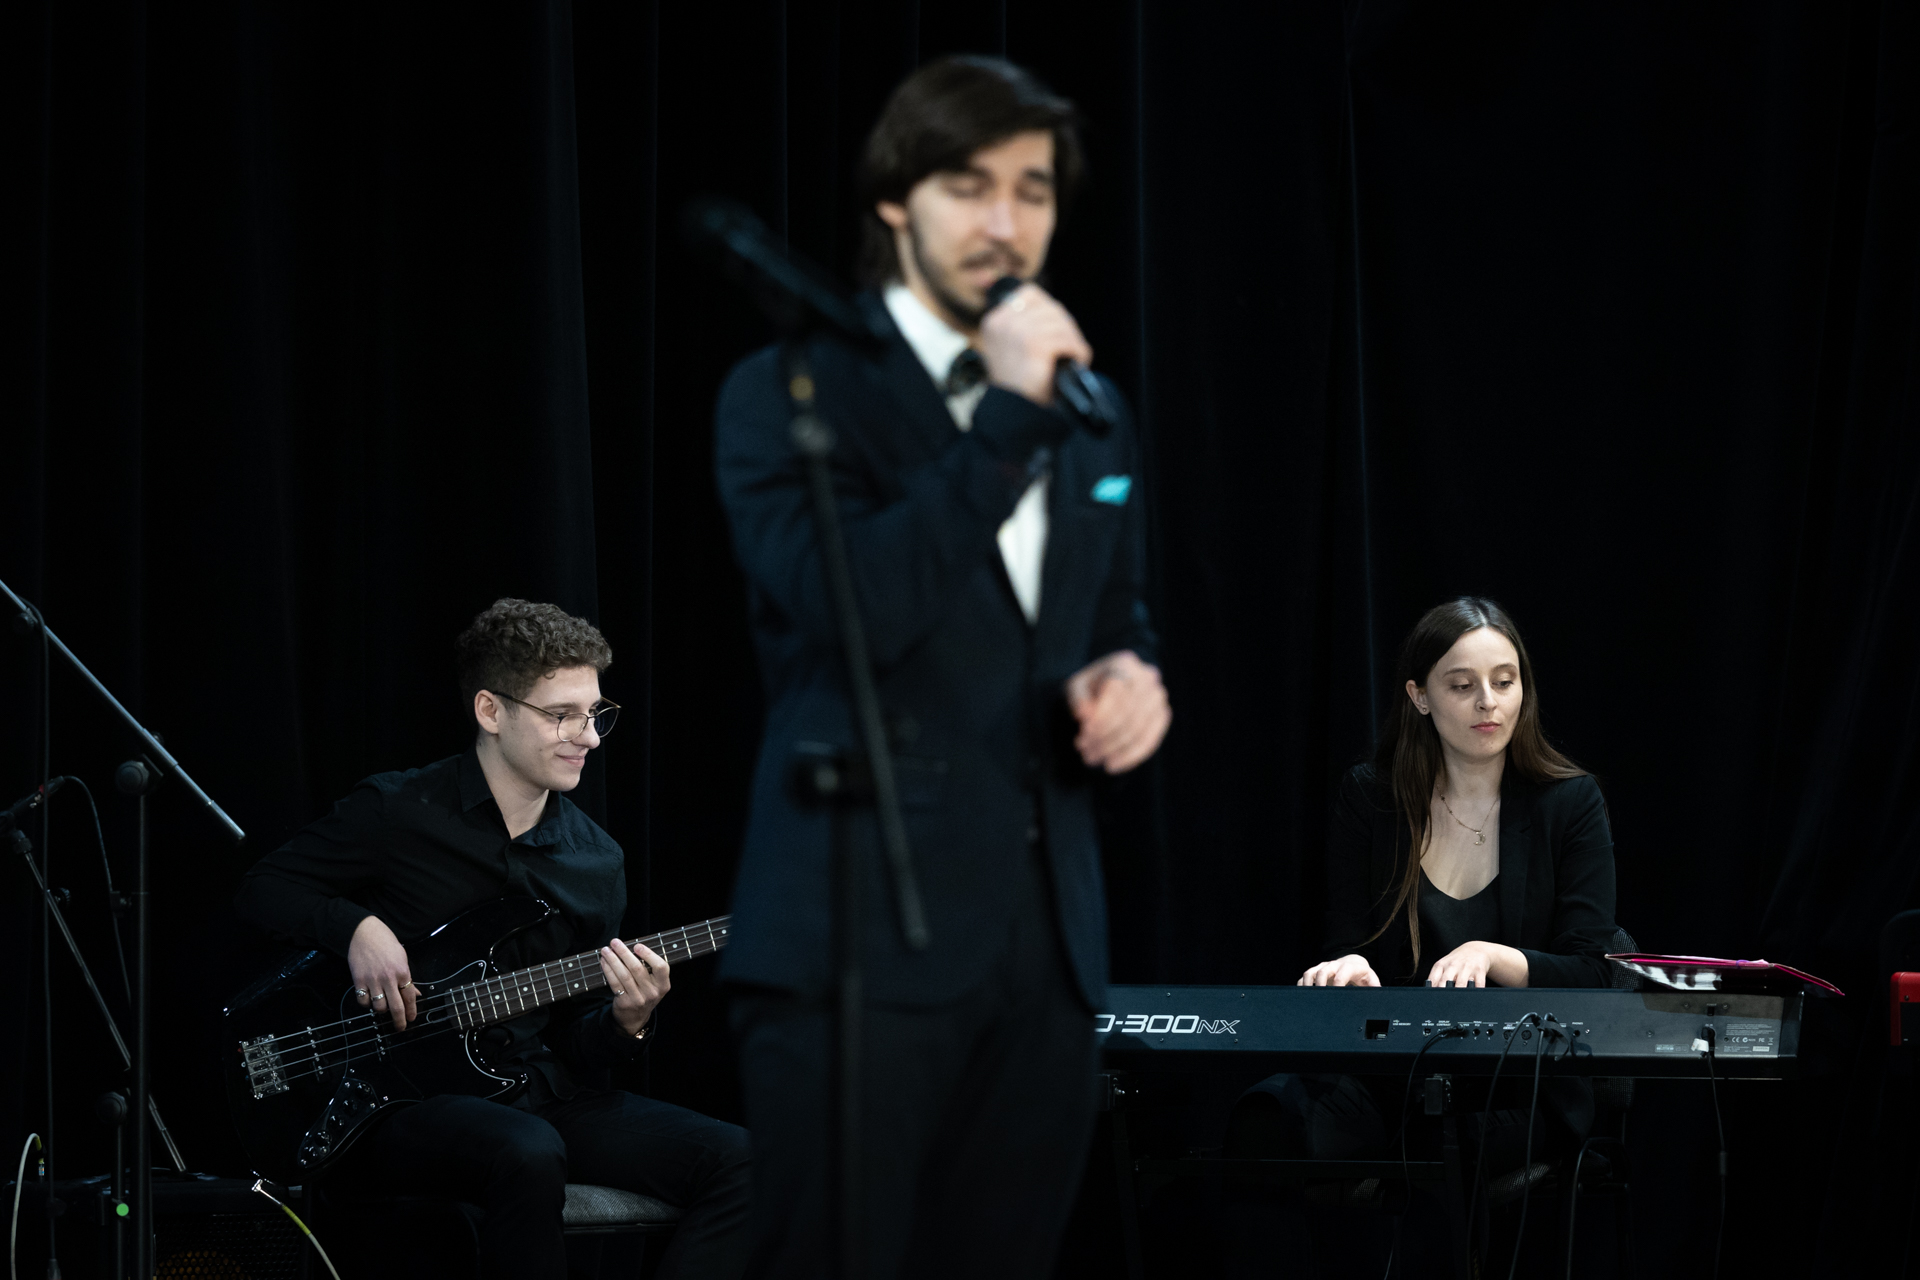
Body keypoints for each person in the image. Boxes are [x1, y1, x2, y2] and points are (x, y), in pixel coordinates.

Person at [712, 56, 1172, 1279]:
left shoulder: (1096, 413)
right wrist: (1006, 417)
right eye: (968, 185)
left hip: (1048, 944)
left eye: (1033, 189)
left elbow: (1111, 610)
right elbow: (854, 608)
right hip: (854, 933)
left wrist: (1128, 677)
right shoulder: (795, 385)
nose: (1006, 222)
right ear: (892, 200)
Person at [234, 598, 751, 1280]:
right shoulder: (399, 811)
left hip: (533, 1093)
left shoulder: (596, 862)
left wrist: (627, 1022)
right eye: (562, 714)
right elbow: (262, 888)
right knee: (525, 1149)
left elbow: (574, 1040)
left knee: (745, 1164)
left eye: (596, 713)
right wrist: (358, 927)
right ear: (490, 711)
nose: (590, 737)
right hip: (391, 1100)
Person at [1227, 596, 1621, 1278]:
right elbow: (1350, 941)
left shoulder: (1569, 801)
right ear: (1419, 697)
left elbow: (1593, 969)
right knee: (1265, 1122)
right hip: (1397, 1077)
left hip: (1517, 1085)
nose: (1488, 702)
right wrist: (1349, 967)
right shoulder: (1371, 796)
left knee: (1443, 1148)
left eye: (1504, 681)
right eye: (1462, 685)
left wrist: (1494, 955)